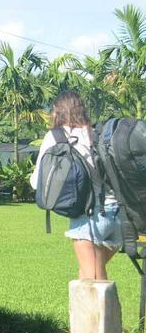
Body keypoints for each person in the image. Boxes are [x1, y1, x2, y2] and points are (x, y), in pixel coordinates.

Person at [30, 90, 121, 280]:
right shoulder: (97, 133)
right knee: (88, 274)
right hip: (118, 216)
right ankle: (82, 311)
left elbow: (37, 181)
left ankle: (106, 311)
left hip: (89, 217)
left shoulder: (56, 136)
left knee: (93, 281)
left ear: (58, 112)